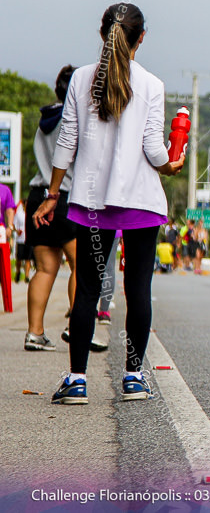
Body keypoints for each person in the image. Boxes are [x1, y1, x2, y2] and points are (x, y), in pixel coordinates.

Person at [35, 2, 184, 404]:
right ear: (141, 38)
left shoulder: (82, 79)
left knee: (86, 289)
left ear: (102, 35)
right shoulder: (152, 84)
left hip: (92, 205)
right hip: (140, 203)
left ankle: (76, 380)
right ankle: (134, 378)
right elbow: (155, 151)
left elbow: (66, 143)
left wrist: (52, 195)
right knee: (138, 291)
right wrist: (171, 166)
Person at [23, 66, 83, 352]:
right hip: (64, 197)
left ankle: (34, 333)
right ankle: (77, 329)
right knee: (80, 266)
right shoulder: (74, 119)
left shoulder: (44, 119)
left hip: (37, 195)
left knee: (45, 269)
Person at [13, 199, 33, 283]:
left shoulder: (32, 214)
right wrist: (17, 231)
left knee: (28, 259)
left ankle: (27, 275)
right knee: (19, 259)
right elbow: (14, 225)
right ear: (24, 205)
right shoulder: (19, 214)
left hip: (29, 239)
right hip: (20, 239)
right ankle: (18, 272)